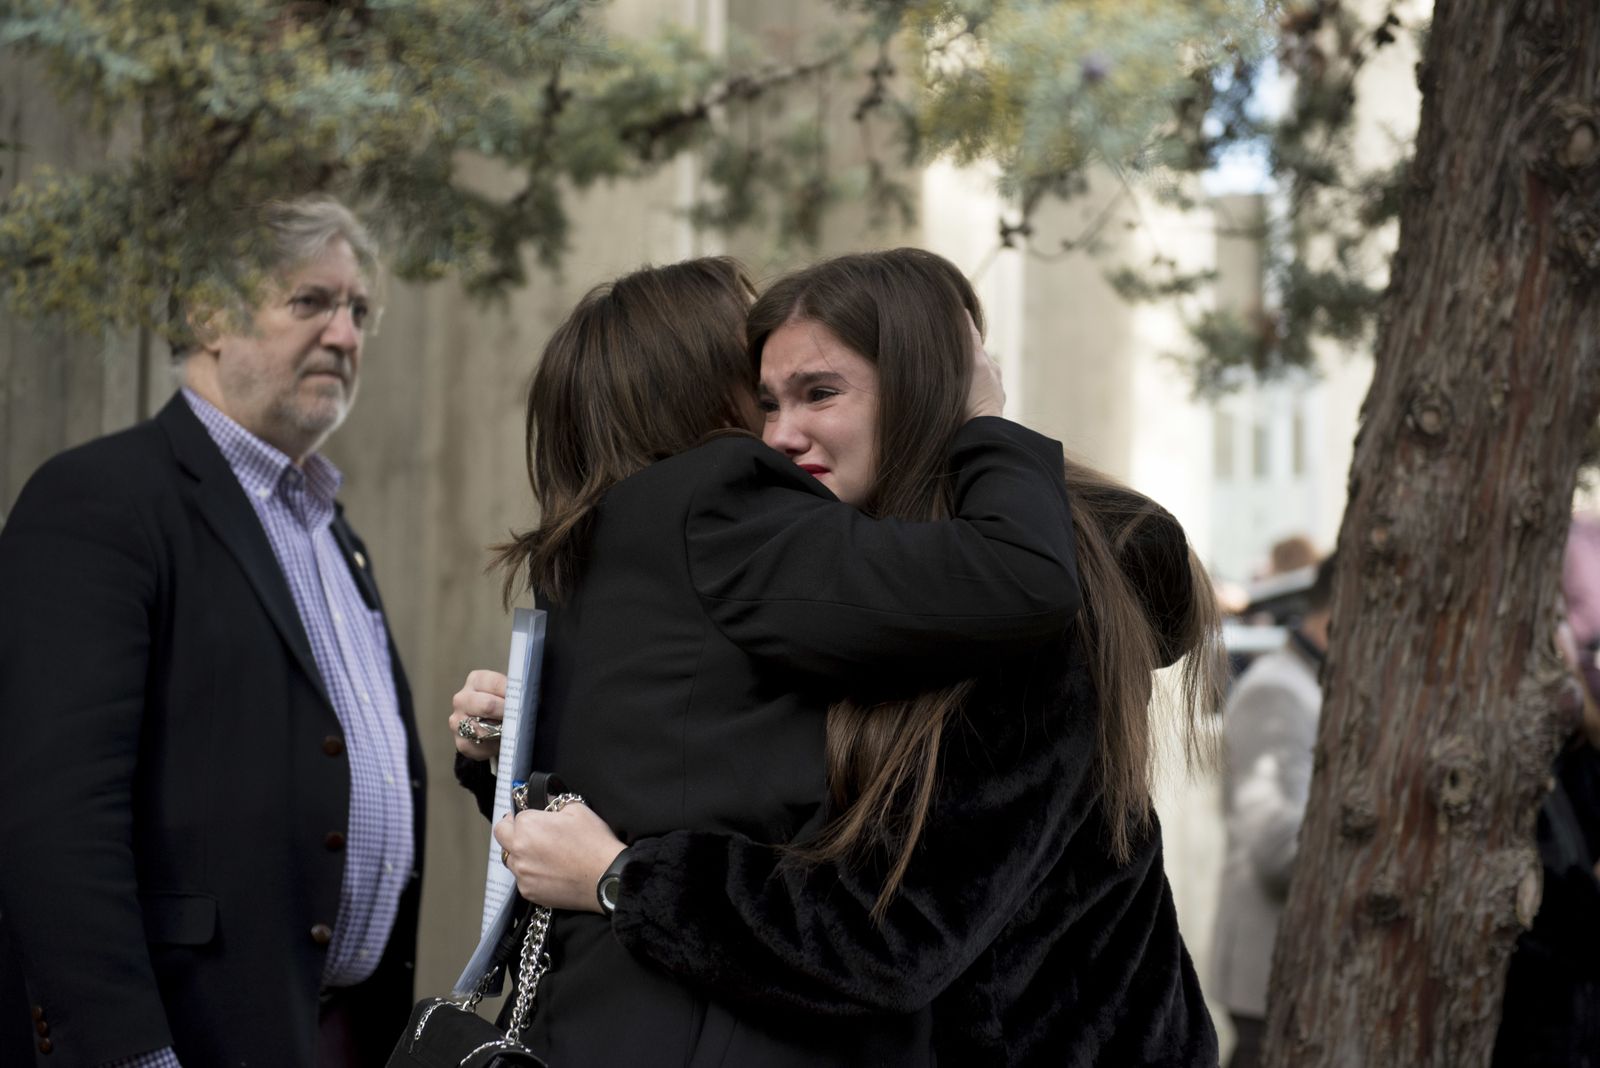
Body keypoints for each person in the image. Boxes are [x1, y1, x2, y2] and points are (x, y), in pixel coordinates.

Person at [472, 248, 1223, 1065]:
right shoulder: (873, 593)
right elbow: (714, 780)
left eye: (819, 393)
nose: (778, 438)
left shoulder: (1014, 625)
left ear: (920, 388)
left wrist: (628, 881)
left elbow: (892, 937)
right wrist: (530, 738)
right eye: (765, 403)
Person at [0, 196, 426, 1067]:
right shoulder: (104, 501)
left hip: (338, 1037)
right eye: (311, 302)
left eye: (358, 312)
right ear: (207, 314)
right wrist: (127, 1055)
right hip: (187, 1042)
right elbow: (52, 820)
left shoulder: (334, 533)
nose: (345, 337)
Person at [1209, 551, 1334, 1068]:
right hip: (1272, 981)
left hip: (1295, 979)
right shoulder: (1276, 691)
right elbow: (1279, 849)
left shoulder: (1307, 683)